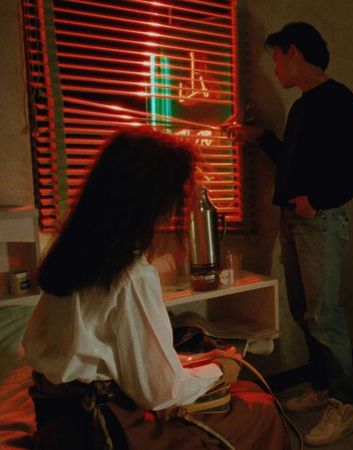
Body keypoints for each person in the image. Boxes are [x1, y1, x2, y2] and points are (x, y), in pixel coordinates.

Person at [22, 126, 290, 450]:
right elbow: (160, 391)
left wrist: (190, 363)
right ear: (154, 202)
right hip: (103, 429)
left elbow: (101, 351)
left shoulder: (72, 255)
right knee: (259, 408)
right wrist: (220, 369)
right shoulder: (129, 275)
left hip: (55, 417)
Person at [223, 22, 353, 447]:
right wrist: (260, 138)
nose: (274, 69)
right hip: (292, 221)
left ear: (294, 51)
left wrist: (318, 200)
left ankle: (345, 404)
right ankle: (323, 386)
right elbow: (293, 160)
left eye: (275, 58)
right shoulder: (303, 106)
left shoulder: (338, 100)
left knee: (324, 315)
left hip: (318, 220)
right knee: (303, 310)